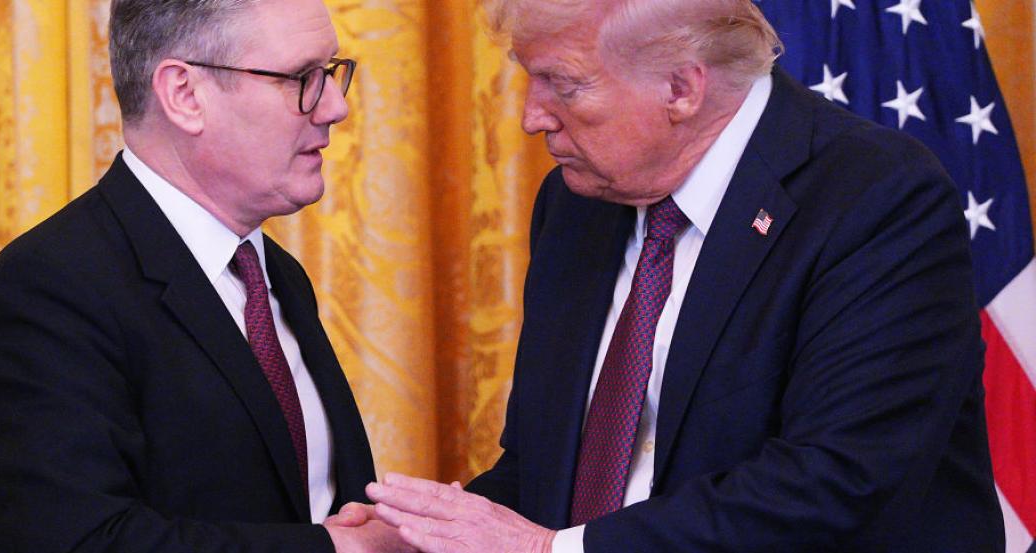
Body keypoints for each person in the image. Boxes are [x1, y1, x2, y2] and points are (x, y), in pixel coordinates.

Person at [361, 0, 1005, 551]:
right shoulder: (576, 204)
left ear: (681, 89)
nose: (533, 116)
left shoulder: (875, 199)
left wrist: (550, 550)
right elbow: (548, 468)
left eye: (564, 84)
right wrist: (423, 532)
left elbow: (835, 481)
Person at [0, 1, 412, 551]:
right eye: (301, 78)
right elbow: (78, 540)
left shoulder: (276, 275)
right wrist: (338, 549)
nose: (335, 106)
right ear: (185, 95)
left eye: (331, 72)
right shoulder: (46, 291)